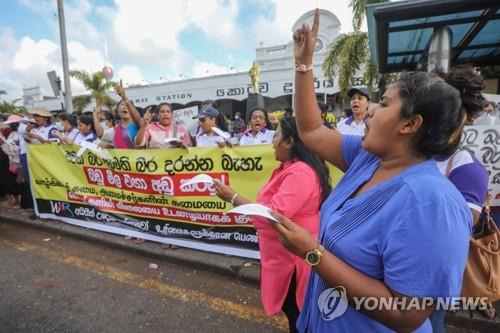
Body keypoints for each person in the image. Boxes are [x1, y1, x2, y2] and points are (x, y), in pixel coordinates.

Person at [269, 10, 485, 332]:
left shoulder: (431, 202)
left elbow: (406, 314)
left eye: (383, 103)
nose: (369, 110)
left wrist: (312, 253)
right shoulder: (368, 159)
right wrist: (304, 64)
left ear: (410, 124)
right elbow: (312, 130)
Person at [214, 116, 331, 333]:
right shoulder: (287, 167)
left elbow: (275, 215)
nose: (272, 141)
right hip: (284, 256)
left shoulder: (300, 172)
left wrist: (233, 197)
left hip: (293, 261)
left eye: (276, 135)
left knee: (298, 315)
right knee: (295, 314)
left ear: (289, 142)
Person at [112, 80, 144, 148]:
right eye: (123, 105)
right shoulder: (115, 128)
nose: (125, 107)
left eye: (128, 106)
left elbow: (137, 118)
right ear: (118, 110)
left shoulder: (139, 124)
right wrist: (108, 146)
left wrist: (124, 97)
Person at [0, 115, 22, 209]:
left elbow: (14, 149)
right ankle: (12, 200)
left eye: (11, 124)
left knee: (17, 182)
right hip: (10, 161)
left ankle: (19, 202)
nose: (9, 126)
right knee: (8, 181)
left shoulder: (19, 134)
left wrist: (3, 144)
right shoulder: (11, 133)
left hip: (17, 161)